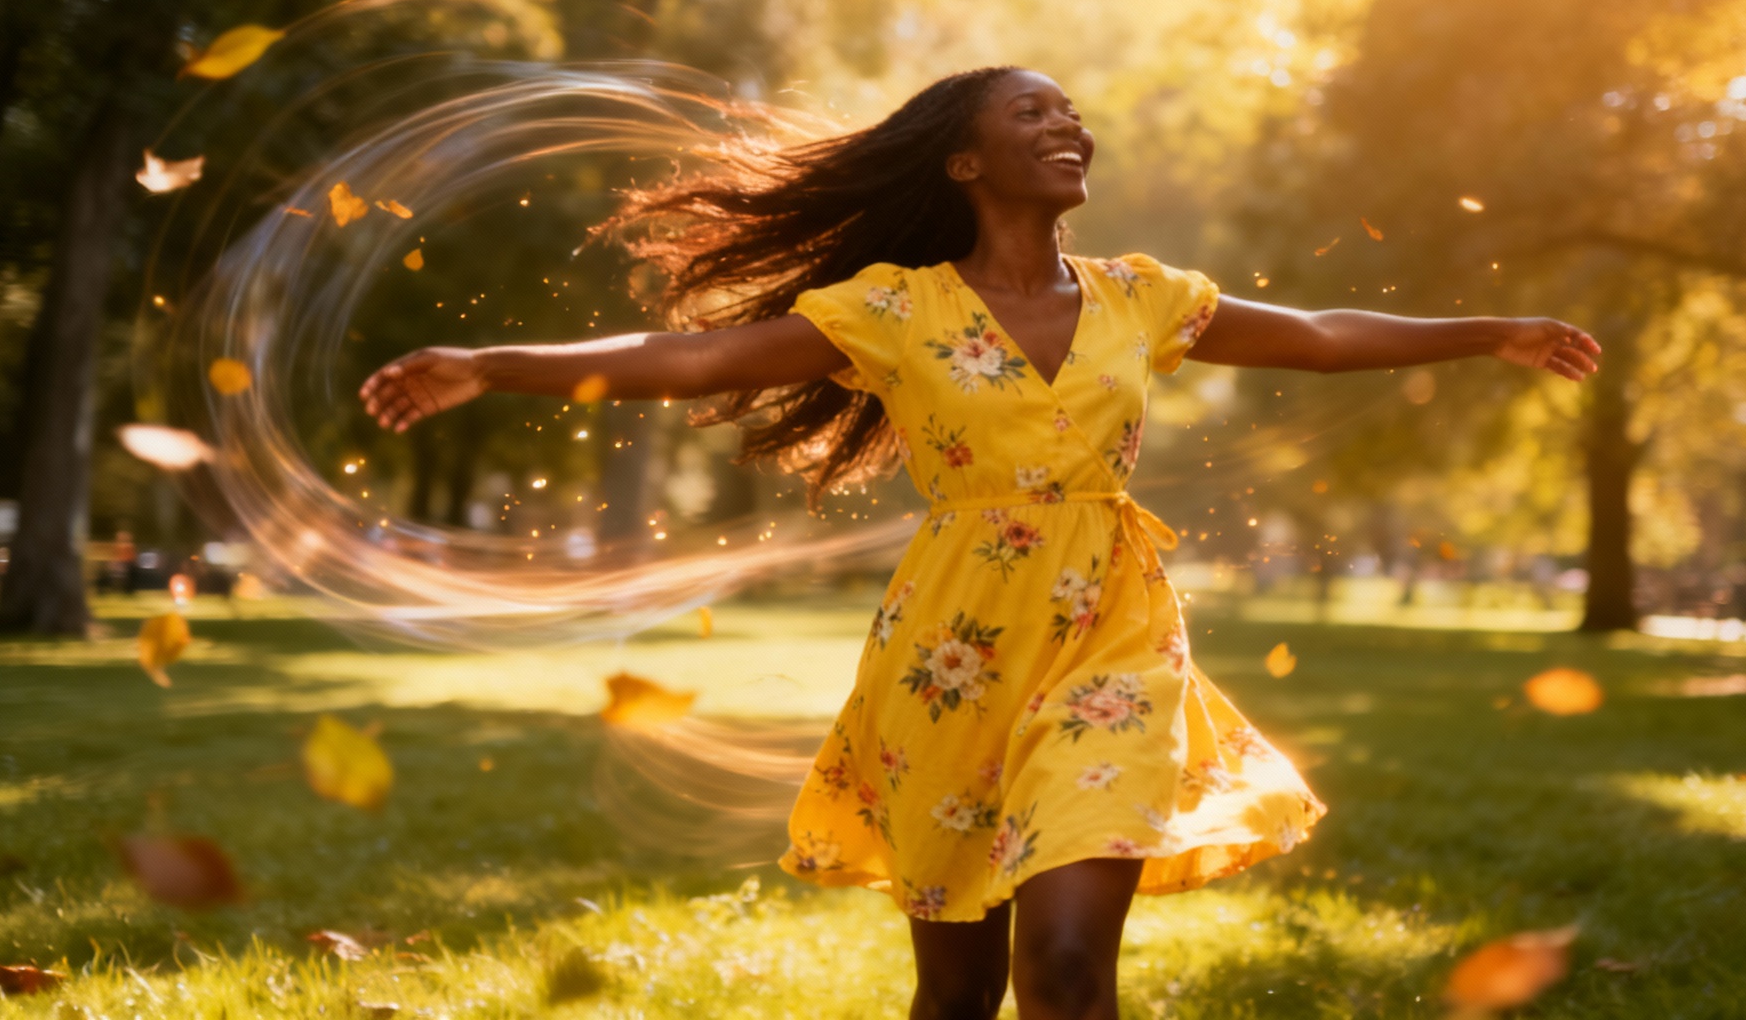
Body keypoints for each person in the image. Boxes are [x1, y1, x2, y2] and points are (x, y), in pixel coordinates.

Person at [359, 68, 1599, 1020]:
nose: (1068, 125)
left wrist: (1489, 329)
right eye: (1031, 112)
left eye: (1071, 111)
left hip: (1111, 634)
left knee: (1062, 967)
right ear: (963, 159)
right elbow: (683, 358)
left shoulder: (1139, 297)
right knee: (956, 997)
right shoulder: (897, 310)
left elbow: (1321, 333)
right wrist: (488, 364)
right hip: (948, 653)